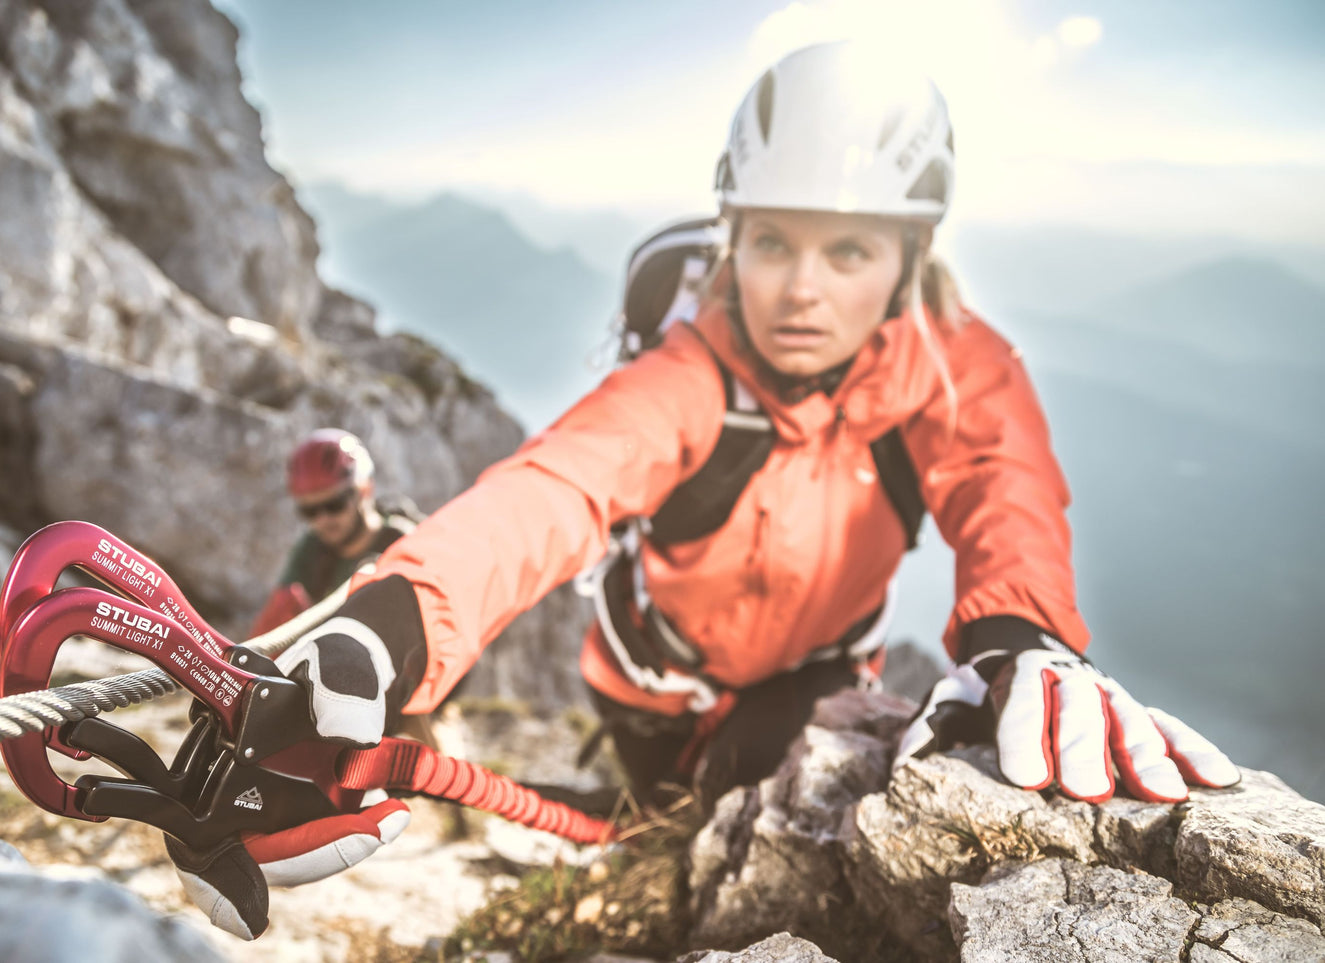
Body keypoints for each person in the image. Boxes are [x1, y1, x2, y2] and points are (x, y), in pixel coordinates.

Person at [181, 42, 1241, 939]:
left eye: (850, 248)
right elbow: (554, 491)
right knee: (661, 828)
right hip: (645, 680)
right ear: (734, 235)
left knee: (721, 812)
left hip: (811, 675)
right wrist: (391, 629)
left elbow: (999, 484)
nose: (800, 287)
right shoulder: (691, 374)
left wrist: (1021, 632)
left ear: (910, 256)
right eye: (772, 239)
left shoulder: (956, 363)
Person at [248, 429, 421, 637]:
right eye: (309, 511)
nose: (323, 520)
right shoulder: (313, 550)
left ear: (364, 490)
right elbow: (271, 626)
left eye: (334, 505)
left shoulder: (404, 543)